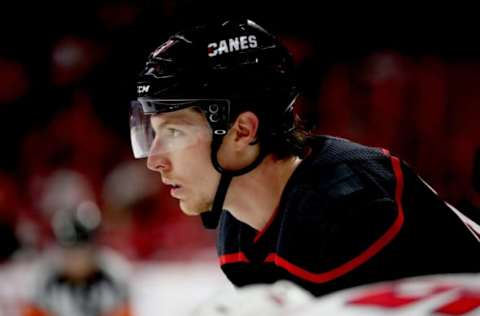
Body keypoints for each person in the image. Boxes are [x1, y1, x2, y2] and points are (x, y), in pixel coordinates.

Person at [129, 18, 480, 296]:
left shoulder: (347, 203)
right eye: (154, 134)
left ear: (242, 131)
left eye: (174, 132)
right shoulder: (239, 232)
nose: (154, 159)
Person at [22, 201, 132, 316]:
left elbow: (124, 312)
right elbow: (33, 312)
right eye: (69, 253)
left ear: (94, 251)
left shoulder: (113, 276)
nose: (75, 260)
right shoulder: (45, 280)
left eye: (81, 252)